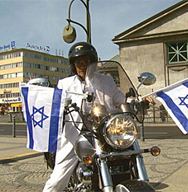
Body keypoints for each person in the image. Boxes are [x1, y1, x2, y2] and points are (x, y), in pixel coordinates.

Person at [43, 42, 127, 191]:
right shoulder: (65, 84)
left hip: (105, 134)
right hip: (76, 135)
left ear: (93, 63)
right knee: (56, 181)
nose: (82, 66)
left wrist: (139, 101)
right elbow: (56, 105)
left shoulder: (106, 81)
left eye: (86, 62)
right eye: (78, 62)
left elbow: (122, 99)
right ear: (73, 65)